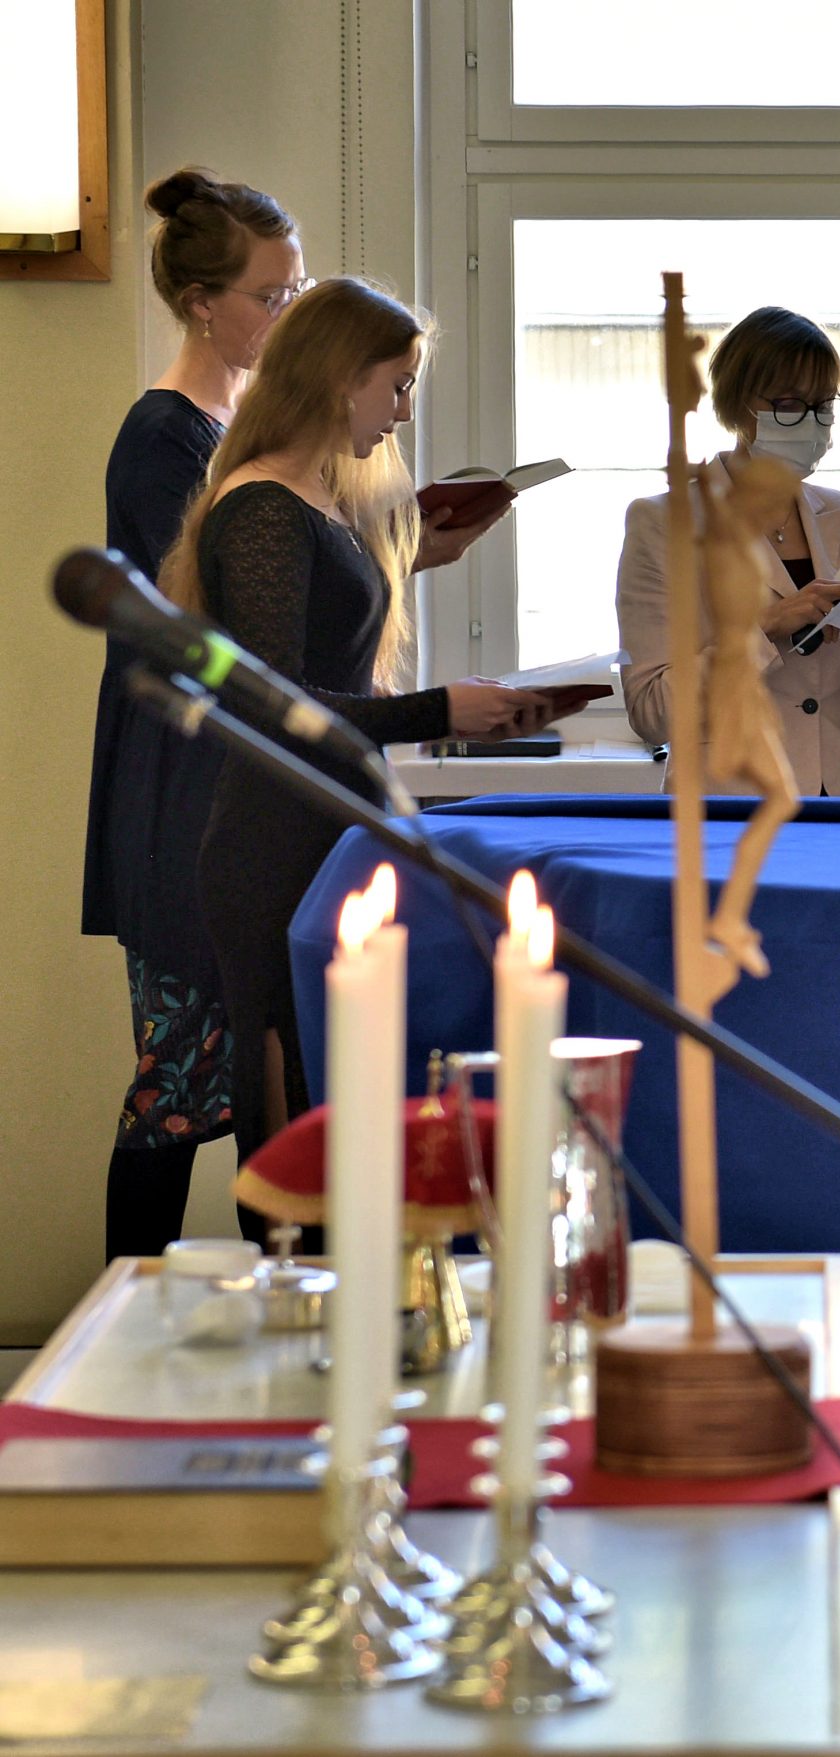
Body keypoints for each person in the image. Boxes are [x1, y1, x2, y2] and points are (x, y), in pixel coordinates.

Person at [85, 169, 501, 1261]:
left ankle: (284, 1285)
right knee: (185, 1082)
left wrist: (404, 545)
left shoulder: (270, 449)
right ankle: (131, 1303)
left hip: (264, 786)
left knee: (256, 1078)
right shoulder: (173, 442)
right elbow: (221, 648)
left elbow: (301, 613)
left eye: (298, 291)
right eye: (271, 296)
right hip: (193, 789)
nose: (289, 314)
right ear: (201, 305)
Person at [158, 278, 564, 1171]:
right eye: (398, 385)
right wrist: (443, 710)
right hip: (273, 845)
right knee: (295, 1121)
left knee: (342, 1109)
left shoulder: (316, 499)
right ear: (342, 377)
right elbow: (279, 703)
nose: (404, 412)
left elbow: (328, 631)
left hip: (323, 830)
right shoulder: (264, 506)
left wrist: (417, 548)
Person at [618, 305, 840, 797]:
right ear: (738, 404)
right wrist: (764, 630)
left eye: (823, 406)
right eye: (789, 404)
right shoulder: (663, 524)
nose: (810, 422)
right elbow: (651, 713)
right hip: (727, 806)